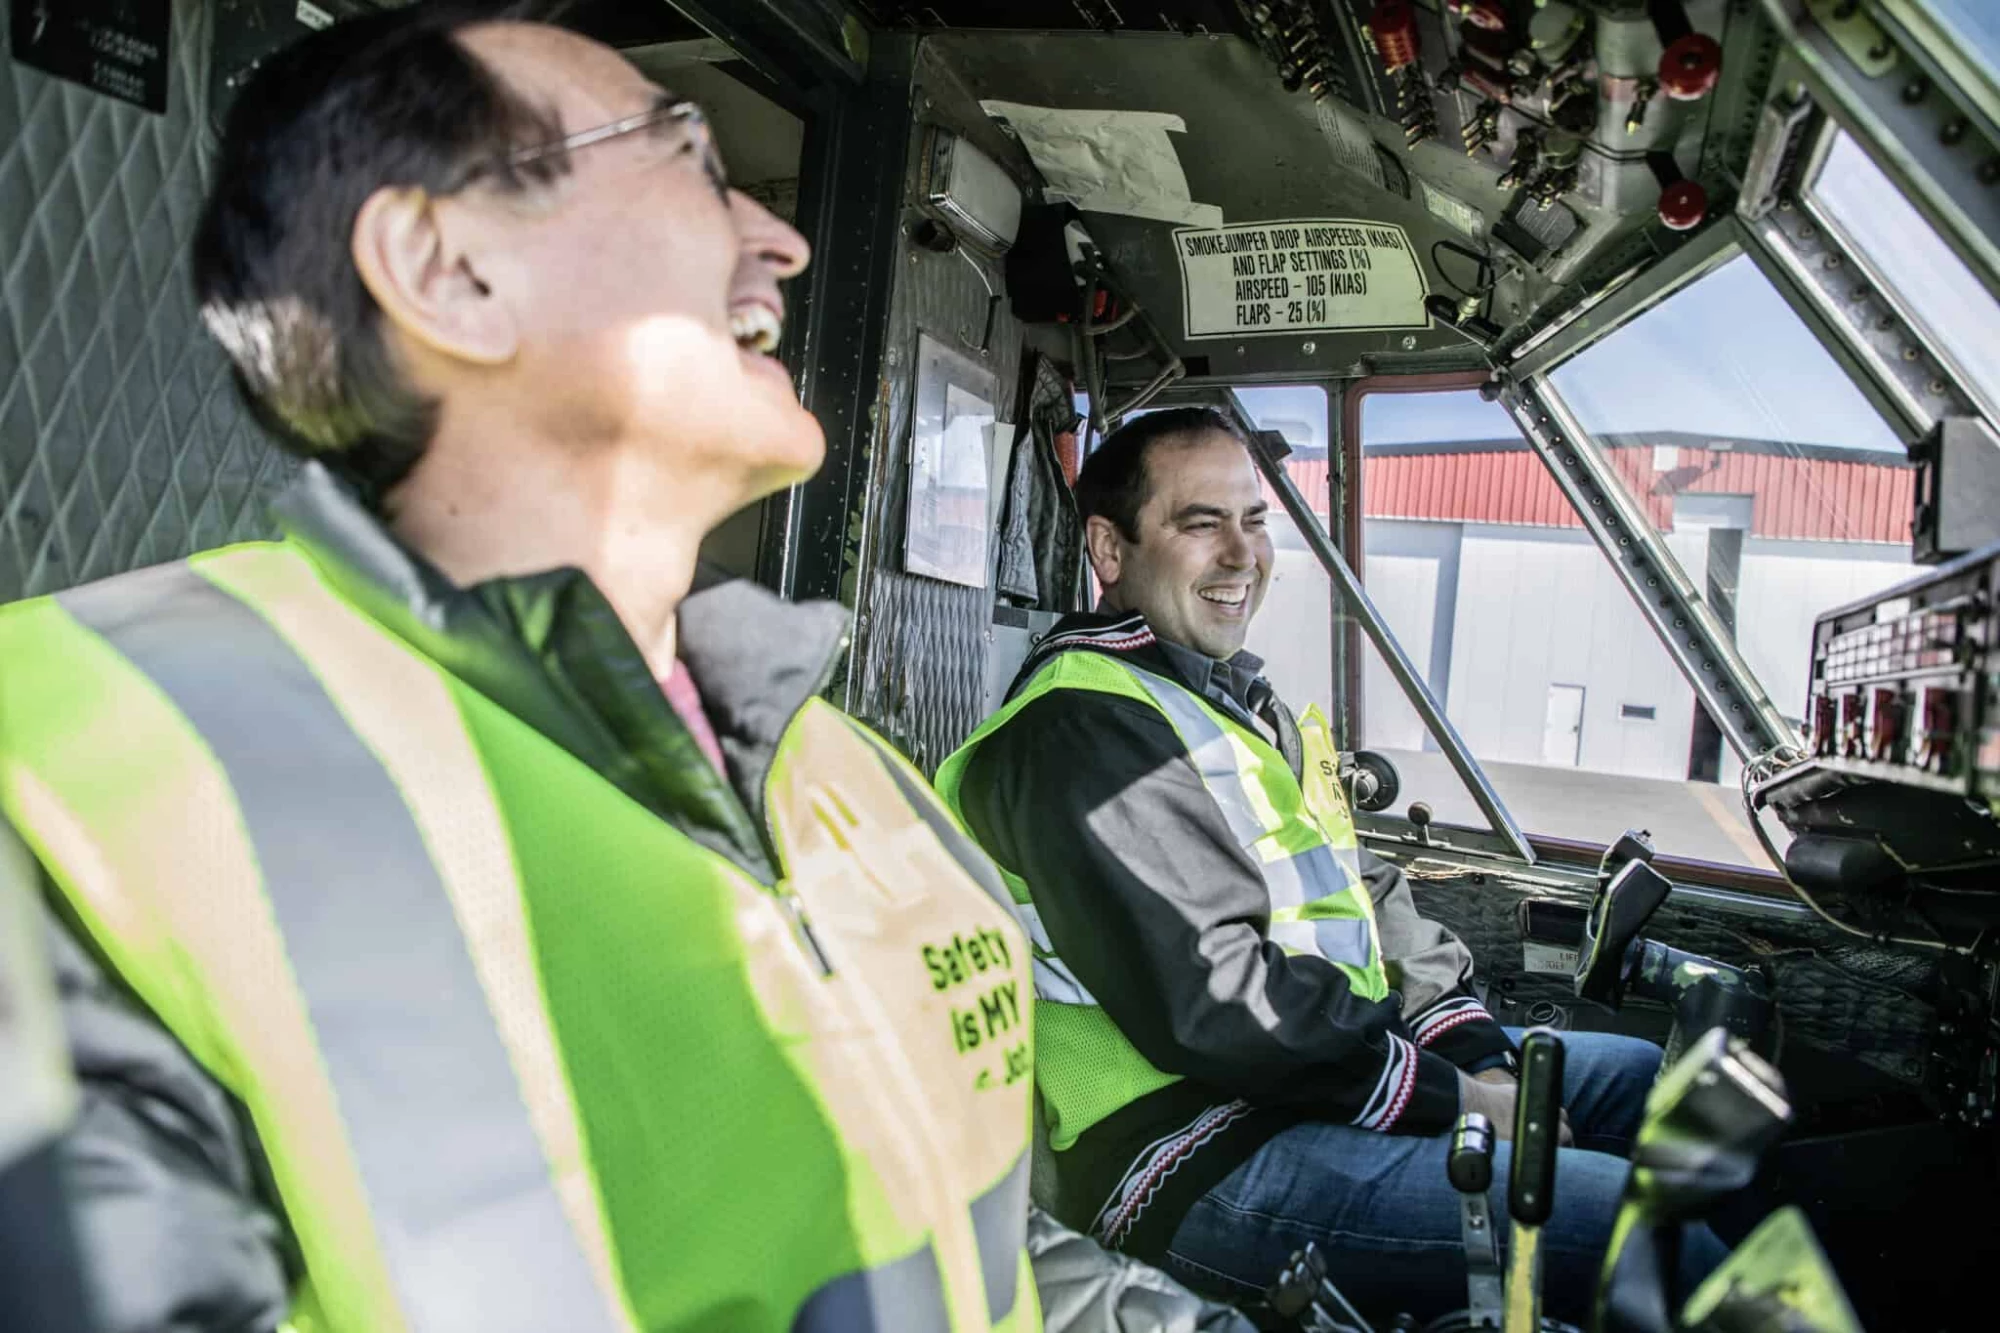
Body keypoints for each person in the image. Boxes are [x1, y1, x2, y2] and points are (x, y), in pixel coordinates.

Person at [0, 10, 1253, 1331]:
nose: (780, 242)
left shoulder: (853, 772)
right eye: (688, 163)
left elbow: (954, 1226)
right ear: (448, 271)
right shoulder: (84, 784)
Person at [935, 407, 1727, 1324]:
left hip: (1312, 1080)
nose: (1243, 555)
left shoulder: (1225, 703)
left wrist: (1473, 1052)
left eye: (1255, 520)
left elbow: (1361, 891)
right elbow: (1221, 1002)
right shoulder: (1078, 733)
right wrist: (1458, 1098)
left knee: (1653, 1088)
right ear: (1109, 550)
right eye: (1201, 523)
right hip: (1192, 1144)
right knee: (1660, 1242)